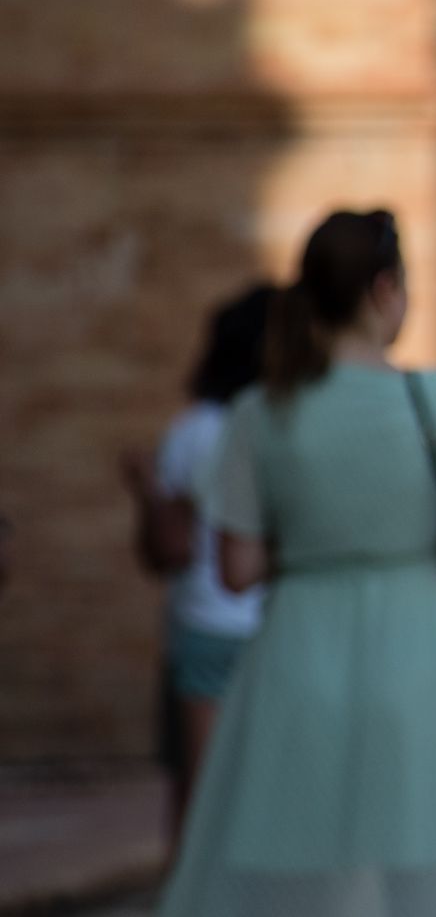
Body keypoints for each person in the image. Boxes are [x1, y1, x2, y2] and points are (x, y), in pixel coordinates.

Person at [158, 209, 436, 917]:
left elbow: (235, 569)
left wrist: (314, 543)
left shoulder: (259, 412)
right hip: (418, 658)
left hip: (297, 654)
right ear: (385, 287)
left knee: (302, 875)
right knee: (434, 870)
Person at [119, 281, 274, 846]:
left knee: (199, 804)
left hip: (206, 628)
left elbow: (170, 549)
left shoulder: (195, 433)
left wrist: (143, 490)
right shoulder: (274, 426)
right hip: (271, 630)